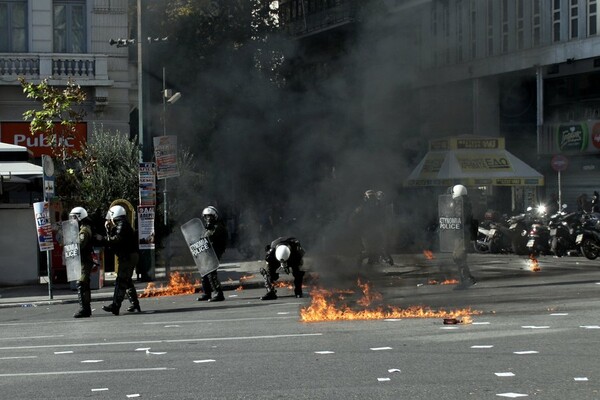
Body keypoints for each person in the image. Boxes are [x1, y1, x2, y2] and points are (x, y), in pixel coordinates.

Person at [100, 205, 142, 315]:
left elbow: (116, 240)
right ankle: (135, 304)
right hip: (129, 256)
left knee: (121, 281)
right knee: (127, 281)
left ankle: (115, 305)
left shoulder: (122, 224)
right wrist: (108, 230)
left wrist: (103, 237)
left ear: (114, 215)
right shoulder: (122, 224)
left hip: (128, 257)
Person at [350, 190, 392, 266]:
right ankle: (358, 262)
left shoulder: (377, 207)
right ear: (366, 198)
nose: (372, 200)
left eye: (373, 197)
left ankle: (370, 268)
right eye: (370, 198)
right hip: (366, 232)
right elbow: (353, 219)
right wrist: (359, 228)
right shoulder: (362, 208)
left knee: (376, 250)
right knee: (370, 251)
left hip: (376, 231)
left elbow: (382, 218)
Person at [196, 206, 228, 302]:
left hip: (216, 251)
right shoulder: (208, 228)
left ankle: (218, 294)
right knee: (204, 272)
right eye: (206, 216)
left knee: (211, 273)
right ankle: (207, 293)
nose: (208, 218)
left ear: (215, 216)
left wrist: (207, 231)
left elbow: (210, 237)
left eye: (210, 216)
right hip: (208, 252)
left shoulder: (218, 227)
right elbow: (202, 238)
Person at [69, 207, 95, 318]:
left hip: (85, 261)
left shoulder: (84, 230)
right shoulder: (82, 228)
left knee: (82, 284)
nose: (72, 220)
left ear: (79, 217)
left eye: (74, 217)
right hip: (83, 261)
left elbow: (80, 245)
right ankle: (86, 309)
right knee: (84, 284)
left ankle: (84, 309)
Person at [449, 185, 477, 290]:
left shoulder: (460, 204)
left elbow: (460, 218)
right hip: (462, 234)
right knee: (458, 256)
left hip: (462, 234)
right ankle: (467, 278)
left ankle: (466, 280)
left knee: (458, 256)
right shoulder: (465, 203)